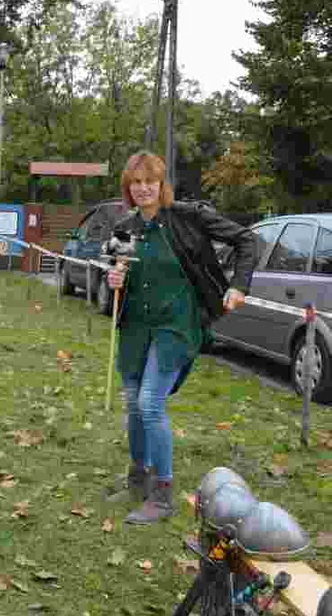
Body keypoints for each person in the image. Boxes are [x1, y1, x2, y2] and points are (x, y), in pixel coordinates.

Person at [104, 151, 258, 525]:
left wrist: (238, 287)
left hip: (177, 324)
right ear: (128, 187)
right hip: (135, 328)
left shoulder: (188, 217)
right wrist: (114, 280)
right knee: (134, 404)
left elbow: (247, 241)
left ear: (161, 184)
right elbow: (117, 271)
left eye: (149, 181)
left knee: (150, 403)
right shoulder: (125, 227)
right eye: (136, 182)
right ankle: (137, 479)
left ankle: (163, 496)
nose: (143, 189)